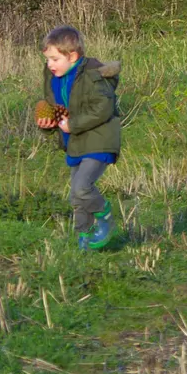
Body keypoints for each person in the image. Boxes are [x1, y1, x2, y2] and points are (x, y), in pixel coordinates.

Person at [35, 25, 122, 251]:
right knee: (76, 196)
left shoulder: (92, 75)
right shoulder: (53, 77)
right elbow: (57, 109)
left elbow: (103, 107)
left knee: (83, 187)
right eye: (47, 60)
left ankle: (105, 218)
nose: (50, 65)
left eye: (54, 59)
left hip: (99, 139)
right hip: (74, 142)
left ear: (72, 56)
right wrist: (48, 124)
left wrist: (72, 124)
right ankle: (84, 239)